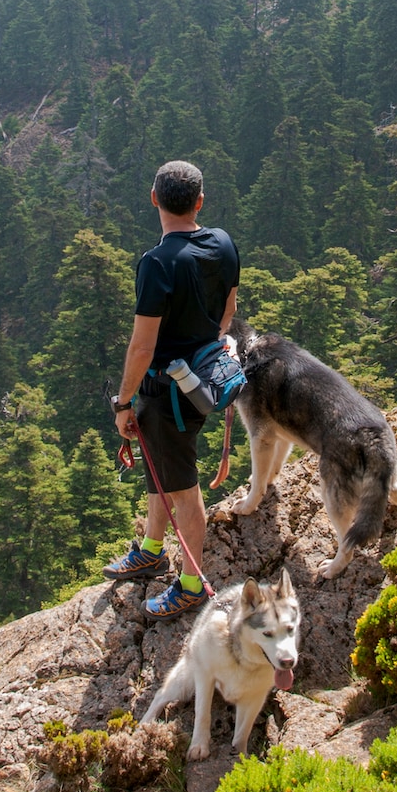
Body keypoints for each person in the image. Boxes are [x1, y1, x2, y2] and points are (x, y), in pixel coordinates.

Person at [102, 160, 239, 619]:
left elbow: (142, 346)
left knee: (183, 487)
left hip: (167, 393)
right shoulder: (223, 244)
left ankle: (191, 584)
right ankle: (151, 549)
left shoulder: (157, 263)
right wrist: (205, 347)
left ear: (153, 198)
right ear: (199, 201)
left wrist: (124, 403)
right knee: (161, 467)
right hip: (203, 380)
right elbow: (228, 311)